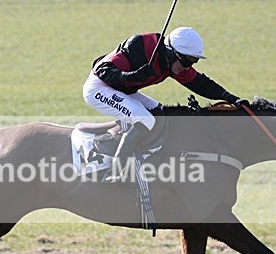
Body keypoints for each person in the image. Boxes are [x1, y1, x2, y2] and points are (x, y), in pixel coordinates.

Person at [82, 26, 248, 182]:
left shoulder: (173, 63)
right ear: (171, 53)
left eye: (192, 63)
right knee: (144, 120)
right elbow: (102, 70)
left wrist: (231, 98)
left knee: (159, 113)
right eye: (186, 63)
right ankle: (115, 172)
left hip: (123, 90)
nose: (187, 68)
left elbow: (200, 83)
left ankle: (138, 156)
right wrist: (133, 75)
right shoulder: (140, 46)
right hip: (99, 88)